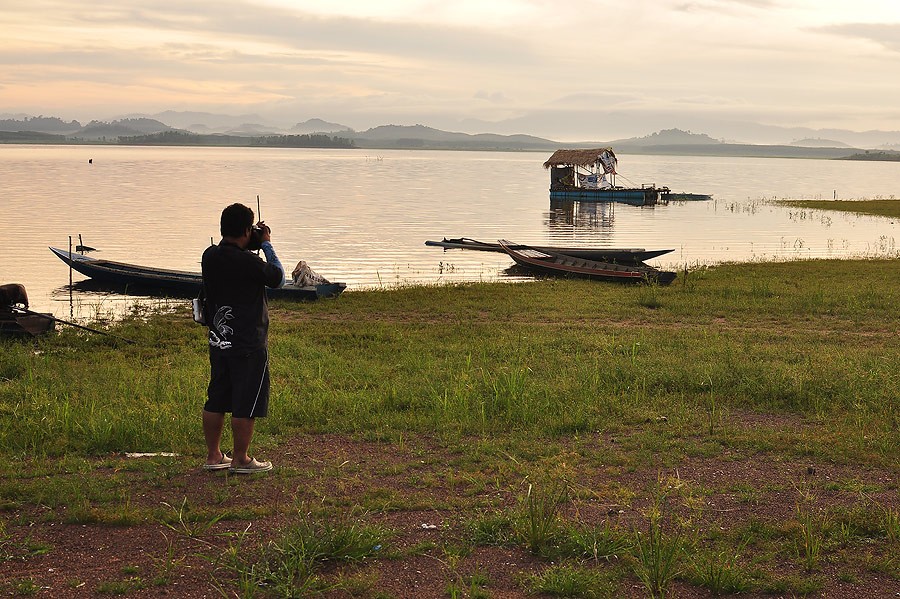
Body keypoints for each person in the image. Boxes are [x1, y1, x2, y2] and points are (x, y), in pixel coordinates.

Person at [201, 203, 285, 474]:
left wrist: (251, 243)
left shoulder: (210, 256)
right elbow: (278, 277)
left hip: (219, 340)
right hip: (248, 341)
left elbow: (233, 257)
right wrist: (266, 244)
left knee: (217, 397)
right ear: (248, 230)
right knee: (246, 400)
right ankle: (241, 459)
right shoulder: (249, 262)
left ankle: (214, 456)